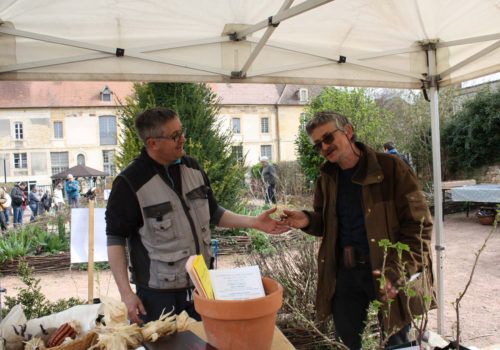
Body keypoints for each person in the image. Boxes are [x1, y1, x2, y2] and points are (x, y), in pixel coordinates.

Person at [105, 107, 287, 325]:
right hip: (158, 295)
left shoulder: (193, 167)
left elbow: (213, 212)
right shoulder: (129, 183)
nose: (183, 139)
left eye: (182, 131)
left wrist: (254, 222)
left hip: (202, 285)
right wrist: (126, 294)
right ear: (152, 143)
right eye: (175, 136)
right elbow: (115, 239)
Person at [279, 111, 436, 350]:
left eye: (328, 138)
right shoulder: (327, 177)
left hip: (387, 272)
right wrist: (307, 220)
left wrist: (396, 272)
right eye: (318, 145)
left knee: (395, 344)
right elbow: (327, 223)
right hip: (346, 276)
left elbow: (419, 226)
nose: (324, 147)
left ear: (348, 132)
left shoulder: (391, 168)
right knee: (346, 343)